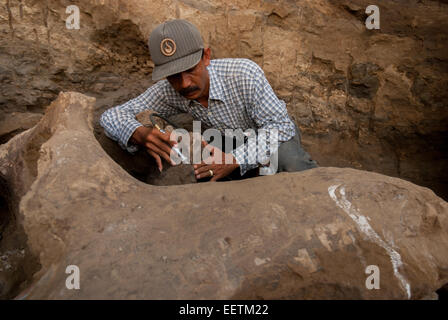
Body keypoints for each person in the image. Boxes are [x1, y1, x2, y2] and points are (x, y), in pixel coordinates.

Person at [100, 19, 317, 182]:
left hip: (269, 134)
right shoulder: (168, 91)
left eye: (190, 70)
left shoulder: (244, 74)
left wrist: (234, 159)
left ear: (206, 57)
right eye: (174, 76)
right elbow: (110, 116)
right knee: (200, 168)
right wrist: (139, 134)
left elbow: (279, 127)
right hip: (226, 140)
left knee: (292, 164)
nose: (185, 84)